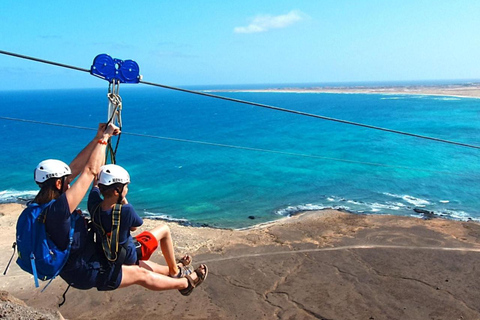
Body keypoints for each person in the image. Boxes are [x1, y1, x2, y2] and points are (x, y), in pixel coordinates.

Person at [29, 123, 207, 295]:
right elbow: (90, 171)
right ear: (58, 183)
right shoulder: (58, 210)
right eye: (67, 181)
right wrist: (105, 138)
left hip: (89, 257)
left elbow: (76, 168)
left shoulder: (40, 204)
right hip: (85, 271)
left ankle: (174, 271)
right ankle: (186, 283)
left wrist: (98, 138)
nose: (70, 182)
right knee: (140, 274)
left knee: (136, 264)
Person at [87, 164, 193, 277]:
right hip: (127, 255)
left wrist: (101, 175)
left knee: (141, 258)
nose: (127, 189)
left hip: (106, 252)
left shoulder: (93, 204)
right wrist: (122, 199)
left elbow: (96, 186)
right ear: (116, 191)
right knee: (165, 230)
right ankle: (174, 271)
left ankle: (178, 266)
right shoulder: (126, 210)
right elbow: (134, 227)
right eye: (126, 187)